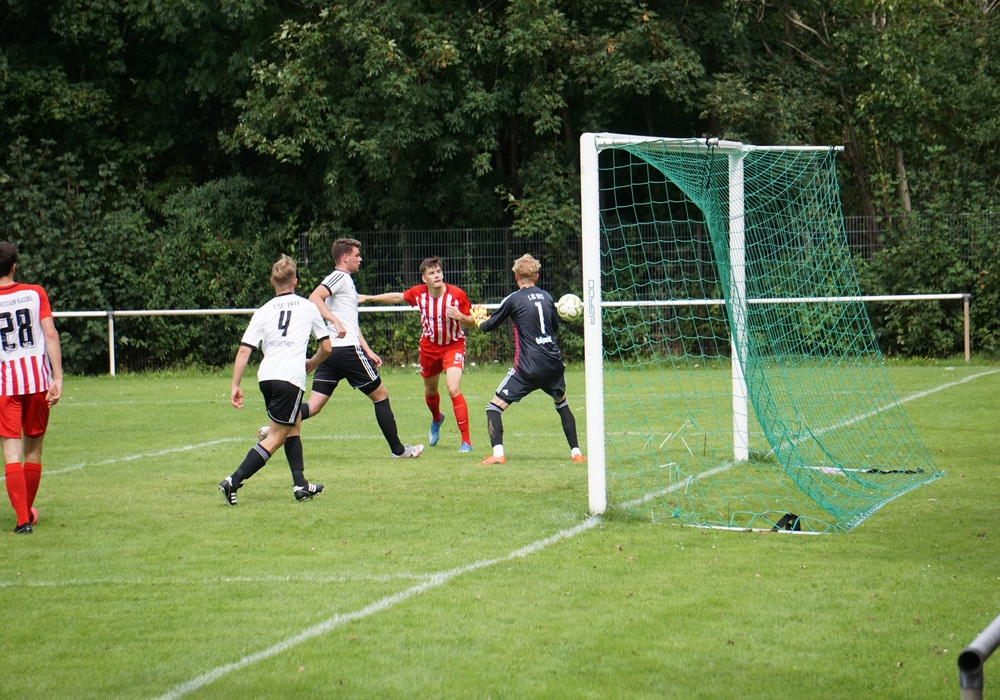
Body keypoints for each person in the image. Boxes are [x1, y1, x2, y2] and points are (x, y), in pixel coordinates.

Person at [259, 238, 423, 458]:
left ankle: (273, 429)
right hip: (346, 350)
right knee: (381, 396)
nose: (360, 259)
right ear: (345, 257)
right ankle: (399, 451)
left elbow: (350, 323)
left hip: (333, 353)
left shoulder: (346, 283)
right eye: (356, 255)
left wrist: (368, 350)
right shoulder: (339, 277)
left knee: (314, 406)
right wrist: (334, 321)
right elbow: (314, 297)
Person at [219, 254, 332, 505]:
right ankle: (232, 481)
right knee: (276, 437)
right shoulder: (308, 307)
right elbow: (326, 347)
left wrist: (235, 385)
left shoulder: (263, 311)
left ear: (272, 282)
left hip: (267, 377)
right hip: (289, 378)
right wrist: (313, 362)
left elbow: (244, 351)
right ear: (295, 282)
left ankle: (300, 485)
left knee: (294, 424)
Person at [464, 254, 585, 466]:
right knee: (562, 404)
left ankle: (498, 454)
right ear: (536, 276)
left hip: (528, 367)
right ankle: (577, 453)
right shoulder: (547, 297)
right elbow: (554, 328)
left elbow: (487, 327)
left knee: (493, 408)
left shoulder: (513, 299)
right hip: (553, 364)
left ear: (516, 276)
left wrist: (479, 318)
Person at [359, 256, 474, 452]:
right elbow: (397, 297)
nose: (437, 276)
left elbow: (472, 322)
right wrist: (368, 298)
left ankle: (466, 442)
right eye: (432, 273)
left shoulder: (456, 295)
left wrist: (461, 317)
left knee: (453, 388)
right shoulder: (419, 293)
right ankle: (437, 419)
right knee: (430, 391)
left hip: (453, 345)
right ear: (424, 278)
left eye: (438, 271)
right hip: (429, 348)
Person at [0, 241, 63, 534]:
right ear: (14, 267)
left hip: (6, 386)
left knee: (11, 452)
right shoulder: (35, 293)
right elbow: (50, 335)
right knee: (33, 450)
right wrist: (57, 378)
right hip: (37, 382)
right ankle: (26, 513)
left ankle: (23, 521)